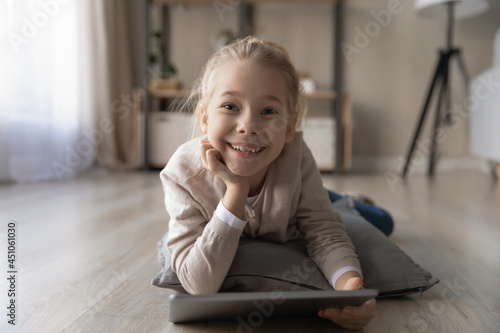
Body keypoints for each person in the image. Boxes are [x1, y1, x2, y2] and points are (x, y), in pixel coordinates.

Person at [160, 37, 376, 330]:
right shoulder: (182, 175)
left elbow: (324, 231)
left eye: (269, 111)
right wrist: (236, 191)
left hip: (299, 204)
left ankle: (346, 200)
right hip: (279, 203)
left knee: (379, 221)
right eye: (230, 106)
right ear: (204, 118)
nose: (248, 125)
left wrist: (351, 290)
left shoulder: (296, 158)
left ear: (289, 128)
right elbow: (199, 283)